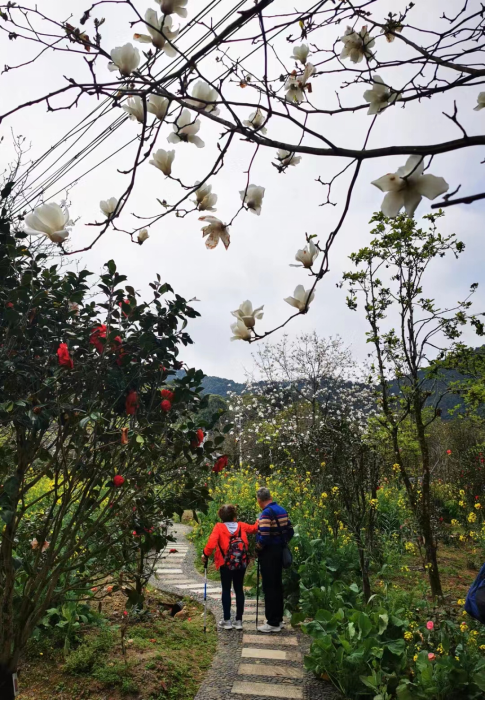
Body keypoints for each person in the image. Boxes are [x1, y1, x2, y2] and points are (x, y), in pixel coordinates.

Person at [202, 504, 258, 630]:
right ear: (234, 516)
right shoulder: (241, 526)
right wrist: (258, 520)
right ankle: (239, 621)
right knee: (239, 589)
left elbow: (211, 544)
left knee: (226, 589)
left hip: (225, 563)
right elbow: (254, 528)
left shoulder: (219, 527)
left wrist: (205, 555)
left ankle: (227, 620)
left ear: (221, 517)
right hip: (241, 563)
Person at [255, 486, 294, 633]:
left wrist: (257, 548)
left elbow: (264, 536)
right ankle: (278, 619)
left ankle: (272, 622)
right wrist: (282, 542)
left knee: (269, 586)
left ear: (259, 500)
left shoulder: (266, 514)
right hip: (279, 551)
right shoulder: (282, 510)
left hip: (269, 553)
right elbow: (290, 530)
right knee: (277, 585)